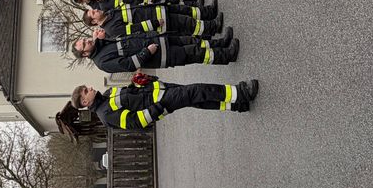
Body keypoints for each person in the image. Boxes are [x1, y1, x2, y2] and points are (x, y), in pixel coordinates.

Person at [72, 78, 258, 132]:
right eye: (85, 91)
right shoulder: (106, 114)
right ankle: (240, 93)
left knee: (196, 99)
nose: (89, 87)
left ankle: (236, 105)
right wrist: (159, 107)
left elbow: (134, 93)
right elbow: (136, 121)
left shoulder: (106, 95)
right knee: (196, 91)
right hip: (162, 102)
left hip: (160, 90)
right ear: (85, 102)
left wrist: (141, 81)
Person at [72, 30, 239, 73]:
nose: (87, 40)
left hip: (158, 40)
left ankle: (221, 43)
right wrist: (147, 52)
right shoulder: (102, 62)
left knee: (192, 40)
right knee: (196, 52)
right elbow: (130, 64)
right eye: (84, 45)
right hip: (159, 54)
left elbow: (128, 38)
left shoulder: (102, 42)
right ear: (85, 54)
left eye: (85, 39)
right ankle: (227, 55)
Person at [84, 3, 222, 40]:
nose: (96, 10)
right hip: (157, 21)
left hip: (154, 10)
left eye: (93, 10)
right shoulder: (111, 29)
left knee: (184, 13)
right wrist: (154, 23)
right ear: (95, 22)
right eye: (93, 13)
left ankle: (209, 14)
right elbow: (135, 29)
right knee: (186, 23)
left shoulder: (109, 14)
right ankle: (213, 27)